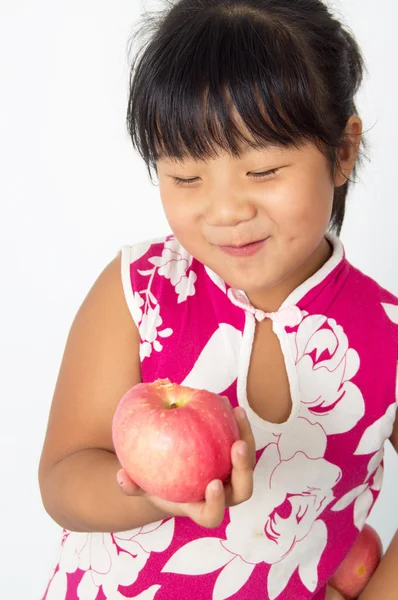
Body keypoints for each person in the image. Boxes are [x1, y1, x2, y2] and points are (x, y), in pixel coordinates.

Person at [38, 1, 398, 599]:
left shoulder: (386, 333)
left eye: (263, 171)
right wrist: (151, 498)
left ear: (341, 152)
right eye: (186, 178)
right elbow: (63, 475)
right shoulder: (140, 290)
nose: (226, 210)